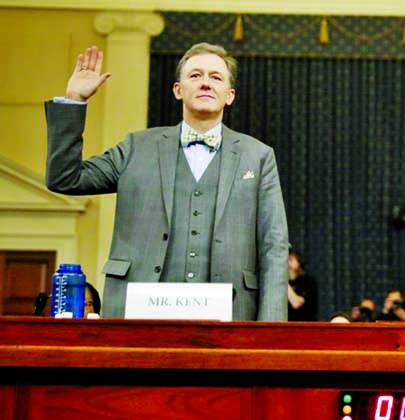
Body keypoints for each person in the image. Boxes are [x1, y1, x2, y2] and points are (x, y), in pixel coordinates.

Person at [45, 43, 289, 321]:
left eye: (216, 77)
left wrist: (271, 328)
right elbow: (65, 179)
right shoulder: (137, 147)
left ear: (229, 96)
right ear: (178, 90)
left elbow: (274, 245)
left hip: (231, 316)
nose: (206, 83)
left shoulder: (258, 156)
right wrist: (74, 101)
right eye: (195, 76)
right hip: (137, 312)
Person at [287, 250, 318, 321]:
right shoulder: (290, 282)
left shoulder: (308, 281)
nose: (288, 264)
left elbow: (296, 303)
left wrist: (284, 282)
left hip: (305, 325)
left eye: (290, 260)